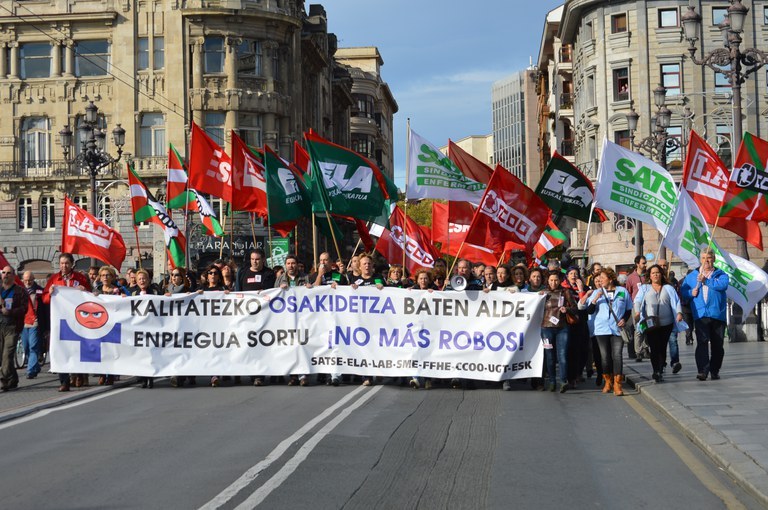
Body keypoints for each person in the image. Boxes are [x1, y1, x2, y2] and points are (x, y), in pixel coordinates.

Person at [42, 253, 91, 392]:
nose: (64, 266)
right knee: (60, 349)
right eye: (62, 263)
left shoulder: (80, 278)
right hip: (60, 320)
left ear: (72, 264)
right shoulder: (54, 279)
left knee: (77, 348)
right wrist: (49, 293)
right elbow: (45, 300)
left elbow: (90, 297)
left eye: (66, 263)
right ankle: (64, 381)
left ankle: (79, 374)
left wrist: (85, 290)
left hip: (77, 320)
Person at [681, 249, 729, 381]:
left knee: (717, 345)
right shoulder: (692, 275)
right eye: (703, 258)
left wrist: (705, 281)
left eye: (709, 258)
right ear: (700, 259)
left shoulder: (720, 274)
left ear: (714, 259)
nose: (706, 260)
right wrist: (691, 293)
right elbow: (684, 291)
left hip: (717, 314)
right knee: (702, 342)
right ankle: (702, 370)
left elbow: (723, 286)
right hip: (701, 314)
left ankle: (714, 370)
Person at [582, 268, 630, 396]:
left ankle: (617, 384)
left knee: (617, 355)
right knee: (605, 358)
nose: (600, 280)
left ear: (610, 279)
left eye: (602, 278)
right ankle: (607, 381)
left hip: (617, 329)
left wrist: (624, 319)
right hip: (601, 329)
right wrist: (595, 298)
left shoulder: (622, 292)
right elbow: (589, 311)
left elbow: (628, 309)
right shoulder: (597, 292)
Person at [635, 264, 683, 383]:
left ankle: (660, 369)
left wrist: (679, 313)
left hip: (667, 323)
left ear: (661, 274)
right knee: (654, 347)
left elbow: (676, 301)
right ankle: (656, 370)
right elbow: (637, 301)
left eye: (657, 272)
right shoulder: (644, 288)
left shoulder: (669, 288)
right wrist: (637, 312)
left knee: (662, 347)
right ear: (649, 276)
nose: (655, 275)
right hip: (651, 323)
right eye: (653, 273)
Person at [350, 254, 385, 386]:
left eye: (369, 264)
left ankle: (379, 370)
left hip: (377, 321)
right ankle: (367, 376)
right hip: (362, 321)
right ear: (359, 266)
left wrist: (382, 287)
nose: (367, 266)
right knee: (365, 349)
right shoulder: (356, 281)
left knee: (377, 347)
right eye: (364, 263)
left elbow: (388, 294)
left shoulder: (378, 279)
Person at [541, 271, 576, 393]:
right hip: (546, 328)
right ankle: (552, 381)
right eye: (551, 280)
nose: (553, 282)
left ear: (559, 280)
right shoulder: (543, 293)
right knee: (549, 357)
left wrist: (567, 309)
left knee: (562, 356)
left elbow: (575, 307)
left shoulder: (565, 292)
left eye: (556, 280)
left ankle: (563, 381)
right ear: (547, 280)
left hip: (562, 329)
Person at [1, 266, 29, 391]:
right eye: (4, 273)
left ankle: (4, 379)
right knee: (2, 355)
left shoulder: (20, 291)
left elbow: (24, 309)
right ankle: (14, 378)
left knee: (7, 354)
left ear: (13, 275)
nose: (6, 275)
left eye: (8, 273)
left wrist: (10, 312)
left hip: (12, 326)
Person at [658, 258, 682, 374]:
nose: (663, 268)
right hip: (657, 319)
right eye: (661, 266)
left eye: (665, 266)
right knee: (661, 343)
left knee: (673, 340)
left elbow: (676, 299)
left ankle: (675, 362)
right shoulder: (652, 281)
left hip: (670, 317)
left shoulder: (672, 281)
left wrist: (679, 312)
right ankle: (661, 363)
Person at [21, 271, 44, 379]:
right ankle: (35, 367)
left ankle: (30, 370)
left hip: (35, 321)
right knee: (26, 347)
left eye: (29, 280)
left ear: (33, 279)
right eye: (25, 280)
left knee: (33, 346)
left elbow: (44, 307)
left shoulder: (39, 290)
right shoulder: (20, 290)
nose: (27, 282)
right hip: (23, 322)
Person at [625, 255, 648, 361]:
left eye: (645, 263)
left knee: (646, 327)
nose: (645, 265)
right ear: (637, 264)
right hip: (636, 306)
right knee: (638, 328)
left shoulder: (647, 276)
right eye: (643, 263)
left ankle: (645, 348)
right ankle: (638, 351)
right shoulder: (631, 278)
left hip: (647, 305)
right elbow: (628, 292)